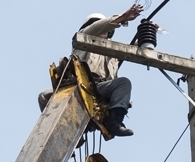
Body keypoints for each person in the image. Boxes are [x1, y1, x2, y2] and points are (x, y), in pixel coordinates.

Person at [38, 4, 144, 137]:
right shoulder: (83, 38)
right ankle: (60, 129)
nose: (101, 29)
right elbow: (100, 26)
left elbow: (134, 49)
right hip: (81, 85)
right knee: (45, 95)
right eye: (97, 25)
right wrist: (122, 17)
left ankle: (114, 122)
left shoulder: (113, 50)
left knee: (123, 83)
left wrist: (147, 32)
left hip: (101, 90)